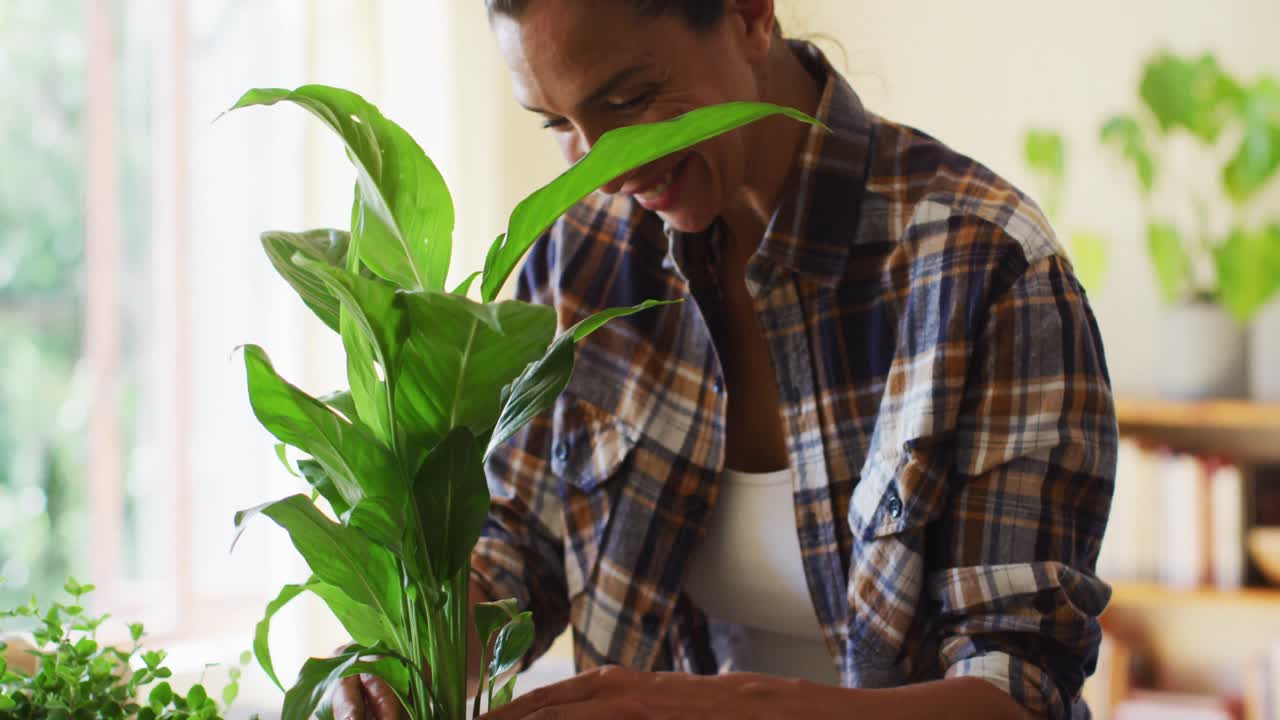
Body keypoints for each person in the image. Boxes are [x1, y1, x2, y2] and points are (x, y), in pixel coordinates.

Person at [335, 1, 1117, 718]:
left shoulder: (988, 268)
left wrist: (717, 709)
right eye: (556, 125)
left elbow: (1018, 687)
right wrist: (401, 662)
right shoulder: (578, 261)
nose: (598, 170)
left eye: (628, 100)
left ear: (748, 14)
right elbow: (519, 554)